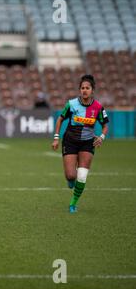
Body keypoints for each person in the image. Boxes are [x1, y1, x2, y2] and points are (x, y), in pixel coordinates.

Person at [52, 75, 109, 213]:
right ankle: (70, 181)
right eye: (82, 88)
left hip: (88, 143)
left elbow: (105, 124)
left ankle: (73, 204)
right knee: (71, 175)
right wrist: (56, 138)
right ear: (79, 90)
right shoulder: (71, 104)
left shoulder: (98, 107)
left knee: (82, 175)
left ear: (92, 90)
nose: (85, 90)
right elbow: (60, 120)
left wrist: (101, 136)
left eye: (87, 88)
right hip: (70, 141)